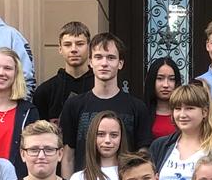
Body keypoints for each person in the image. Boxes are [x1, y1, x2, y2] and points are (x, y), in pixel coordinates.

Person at [58, 32, 152, 171]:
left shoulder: (137, 107)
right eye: (98, 57)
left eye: (111, 58)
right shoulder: (73, 105)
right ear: (90, 62)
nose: (104, 63)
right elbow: (68, 157)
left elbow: (142, 156)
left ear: (120, 63)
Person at [0, 46, 37, 167]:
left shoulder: (29, 112)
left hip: (17, 177)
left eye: (7, 68)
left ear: (16, 74)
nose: (0, 73)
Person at [68, 111, 129, 180]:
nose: (107, 140)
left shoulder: (131, 173)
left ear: (121, 138)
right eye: (101, 134)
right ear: (92, 137)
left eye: (114, 135)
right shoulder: (78, 179)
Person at [32, 21, 93, 124]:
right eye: (67, 45)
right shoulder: (45, 91)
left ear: (89, 47)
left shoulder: (100, 87)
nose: (74, 49)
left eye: (80, 44)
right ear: (60, 49)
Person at [146, 56, 181, 141]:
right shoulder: (142, 112)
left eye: (171, 79)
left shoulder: (184, 113)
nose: (166, 85)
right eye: (160, 78)